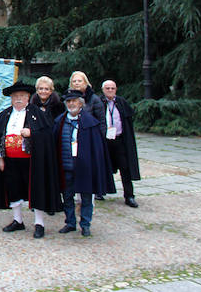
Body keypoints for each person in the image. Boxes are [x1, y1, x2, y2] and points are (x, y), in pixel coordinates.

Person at [0, 81, 62, 239]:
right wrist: (0, 158)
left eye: (22, 96)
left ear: (28, 97)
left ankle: (39, 223)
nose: (18, 99)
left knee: (37, 189)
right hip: (10, 160)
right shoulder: (5, 114)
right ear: (11, 98)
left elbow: (47, 135)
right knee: (13, 189)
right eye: (15, 96)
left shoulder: (37, 114)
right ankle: (17, 220)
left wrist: (32, 132)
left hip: (32, 160)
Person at [54, 89, 115, 236]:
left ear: (81, 103)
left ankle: (85, 224)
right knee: (67, 196)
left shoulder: (90, 122)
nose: (71, 104)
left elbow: (96, 148)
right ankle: (70, 222)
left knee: (86, 196)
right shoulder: (60, 121)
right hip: (66, 165)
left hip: (84, 167)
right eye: (69, 101)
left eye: (74, 101)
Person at [101, 80, 141, 208]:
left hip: (119, 140)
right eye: (107, 88)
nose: (110, 90)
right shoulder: (99, 103)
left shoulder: (122, 102)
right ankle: (100, 192)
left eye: (112, 88)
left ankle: (129, 196)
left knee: (125, 168)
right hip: (104, 141)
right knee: (102, 166)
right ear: (103, 90)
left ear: (116, 89)